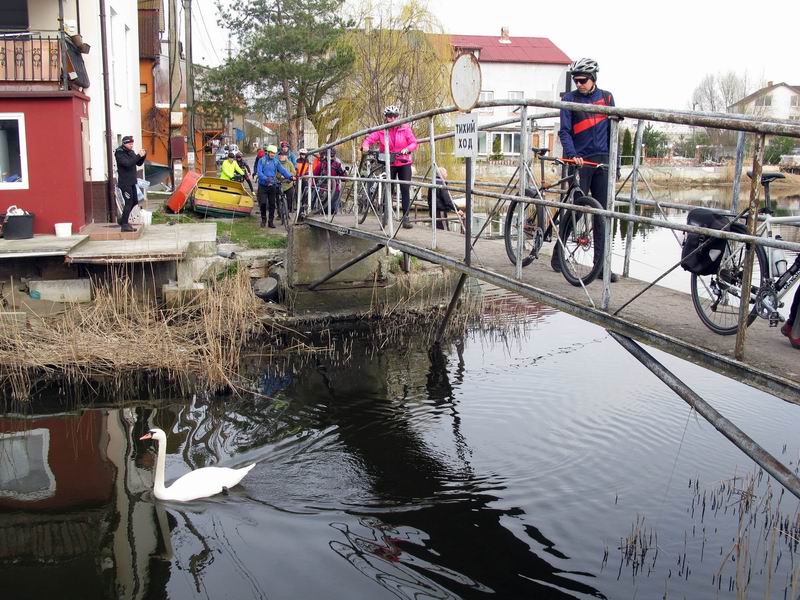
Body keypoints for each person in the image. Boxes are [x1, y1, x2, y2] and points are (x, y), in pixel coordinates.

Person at [557, 57, 619, 282]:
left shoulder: (607, 98)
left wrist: (616, 164)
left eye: (583, 80)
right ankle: (559, 255)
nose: (579, 84)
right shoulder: (569, 99)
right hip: (580, 160)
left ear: (593, 79)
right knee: (576, 210)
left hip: (601, 161)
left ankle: (600, 266)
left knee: (601, 215)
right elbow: (564, 131)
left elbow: (614, 133)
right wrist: (572, 155)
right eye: (576, 80)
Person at [361, 105, 418, 228]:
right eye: (389, 116)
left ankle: (406, 218)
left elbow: (414, 143)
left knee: (405, 189)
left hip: (404, 162)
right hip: (389, 162)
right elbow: (370, 139)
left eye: (394, 116)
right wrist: (365, 145)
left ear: (398, 117)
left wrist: (407, 149)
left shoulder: (405, 129)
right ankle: (385, 216)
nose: (392, 119)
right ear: (386, 117)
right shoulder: (382, 130)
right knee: (388, 188)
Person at [114, 135, 146, 232]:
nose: (132, 145)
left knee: (135, 201)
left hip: (132, 182)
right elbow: (128, 164)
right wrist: (138, 156)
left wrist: (143, 156)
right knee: (128, 202)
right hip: (125, 183)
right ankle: (124, 225)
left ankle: (123, 218)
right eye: (130, 144)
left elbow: (138, 163)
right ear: (124, 143)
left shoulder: (130, 152)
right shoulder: (120, 153)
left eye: (132, 143)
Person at [256, 144, 293, 228]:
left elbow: (282, 170)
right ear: (268, 152)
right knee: (263, 203)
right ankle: (263, 219)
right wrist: (266, 179)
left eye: (274, 153)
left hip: (272, 185)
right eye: (271, 153)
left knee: (272, 204)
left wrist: (290, 176)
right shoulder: (262, 160)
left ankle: (270, 221)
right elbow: (259, 172)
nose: (273, 154)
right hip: (263, 185)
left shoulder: (276, 161)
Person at [312, 147, 348, 214]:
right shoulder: (321, 164)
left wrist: (344, 174)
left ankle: (334, 215)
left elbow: (344, 177)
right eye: (330, 156)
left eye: (332, 156)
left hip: (335, 188)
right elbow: (314, 175)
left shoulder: (337, 164)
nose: (331, 158)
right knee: (324, 207)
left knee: (333, 206)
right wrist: (313, 184)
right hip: (323, 188)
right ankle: (318, 211)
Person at [276, 149, 297, 220]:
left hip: (288, 183)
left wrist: (289, 176)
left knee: (290, 197)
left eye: (283, 155)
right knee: (278, 199)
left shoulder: (289, 163)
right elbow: (275, 172)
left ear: (286, 156)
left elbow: (294, 172)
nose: (281, 156)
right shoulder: (277, 163)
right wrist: (279, 176)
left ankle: (288, 212)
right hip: (280, 183)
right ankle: (279, 214)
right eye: (280, 155)